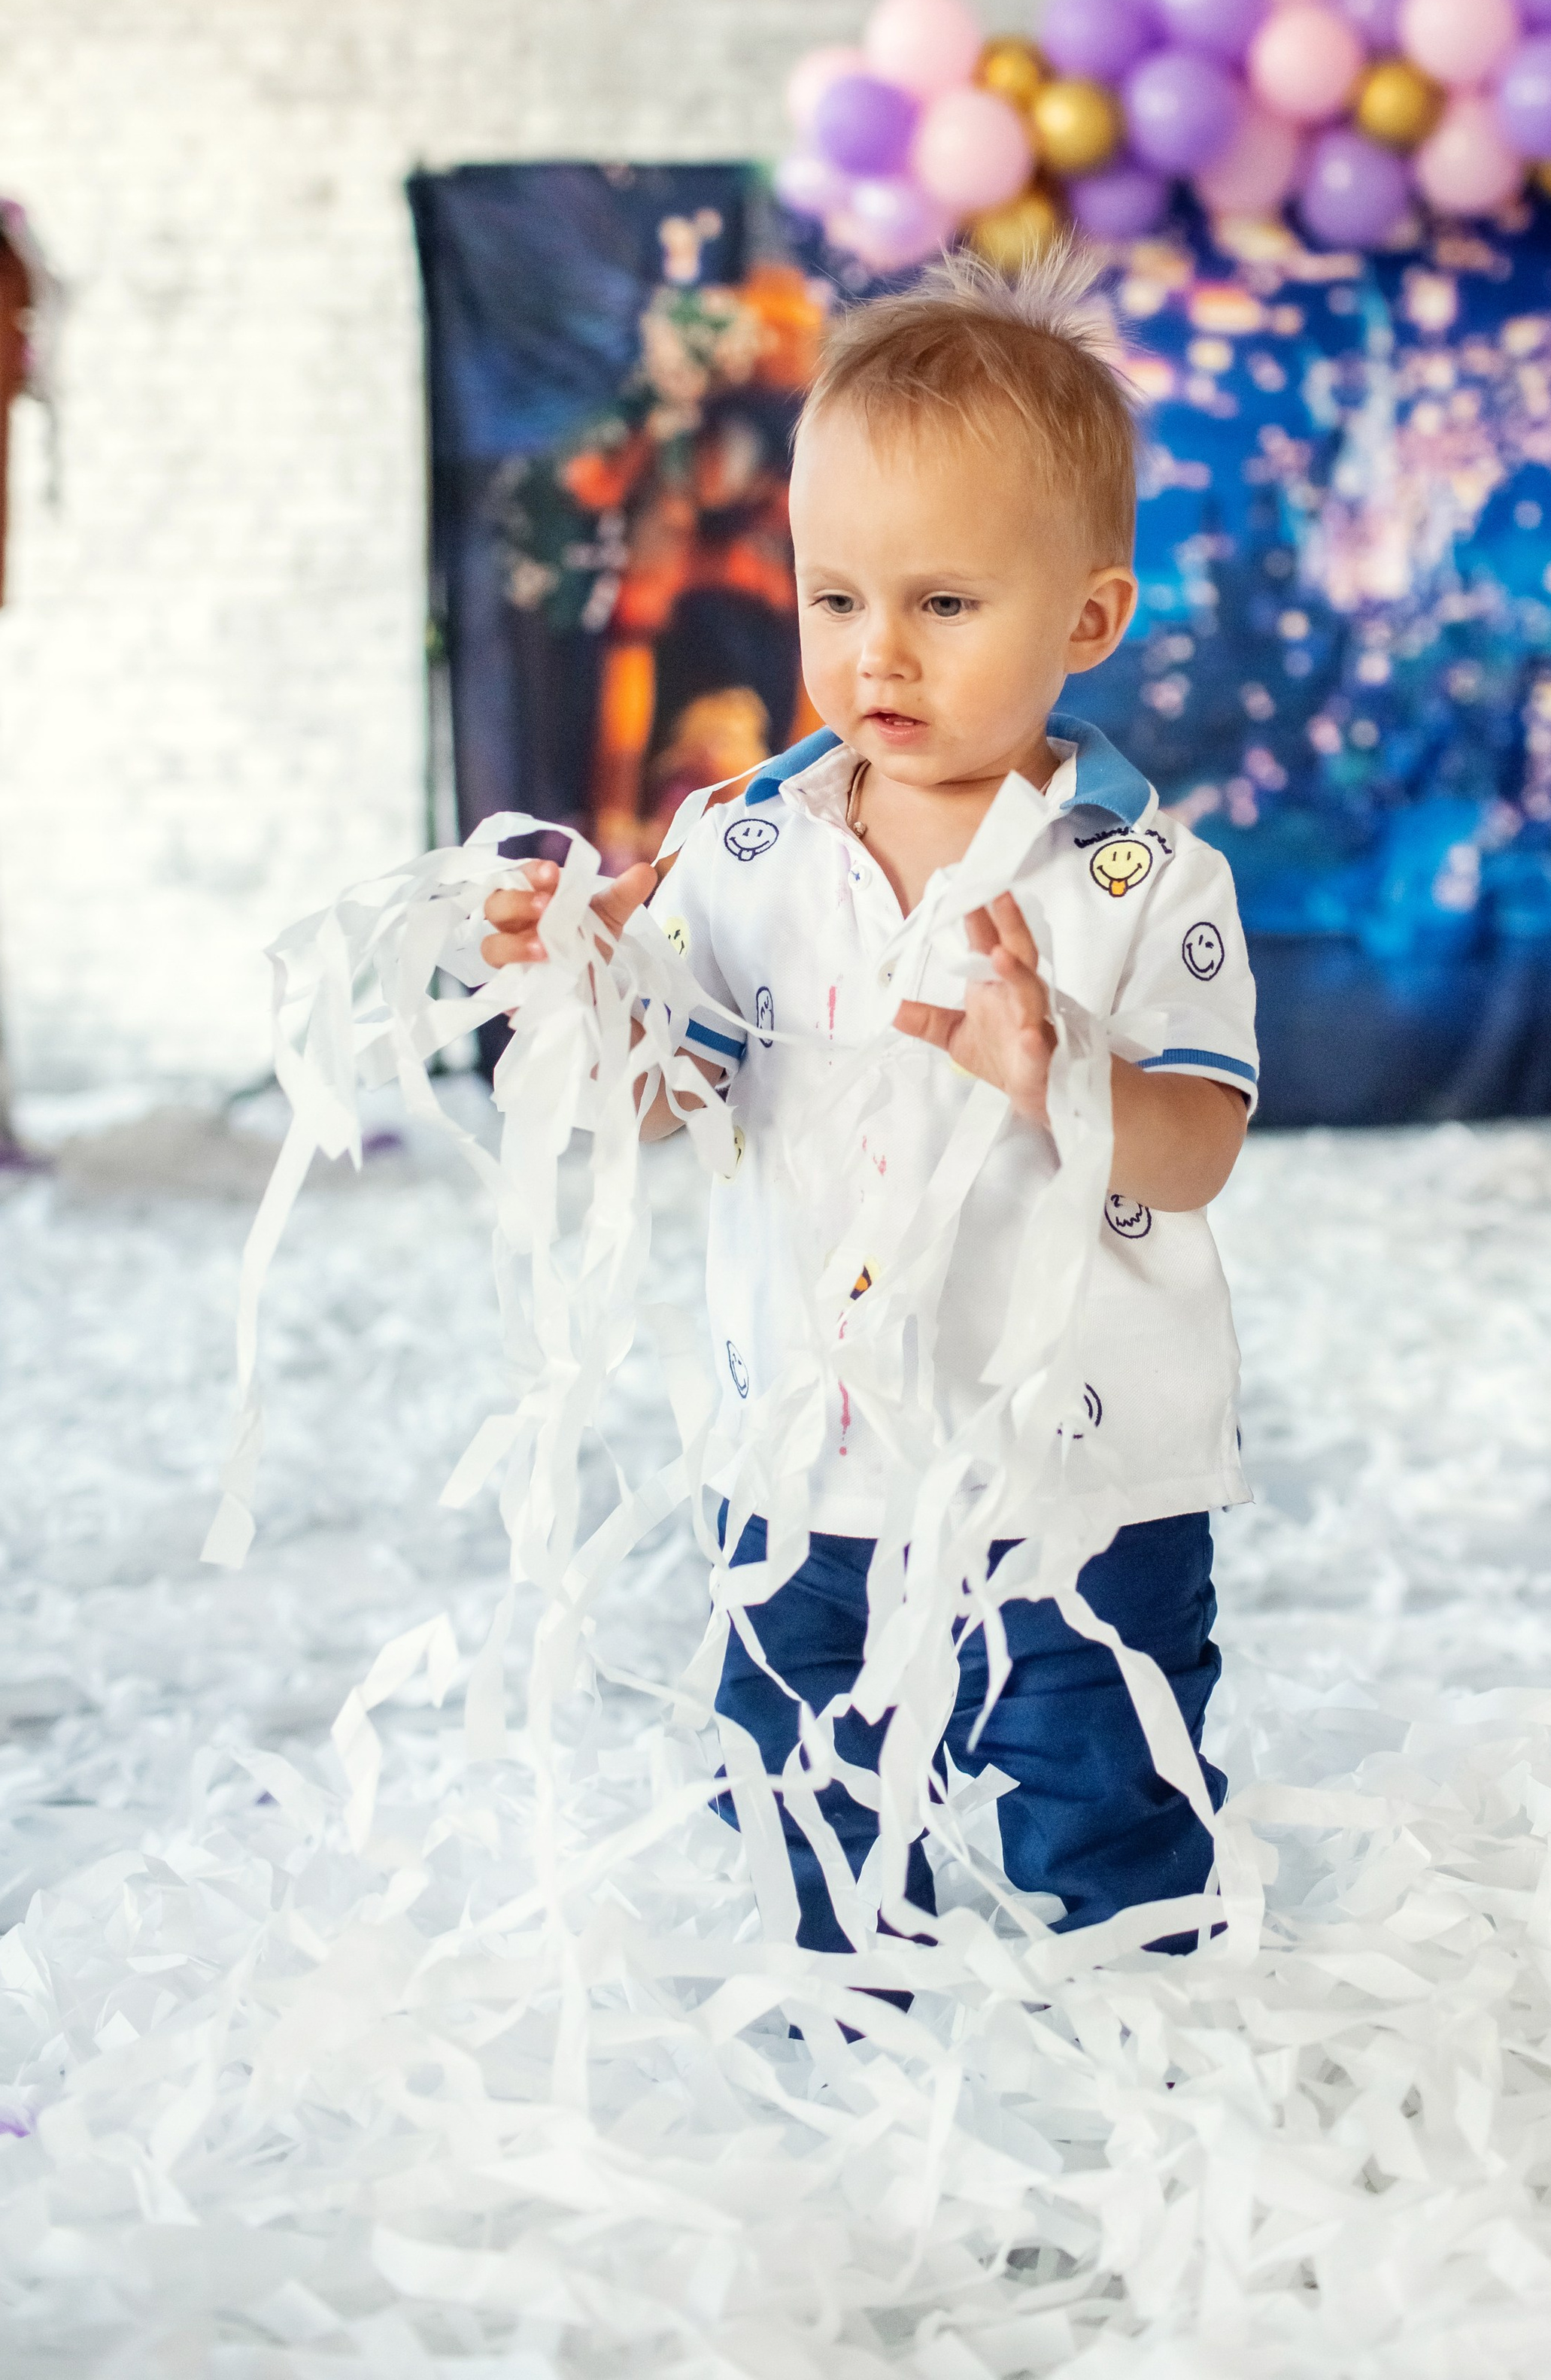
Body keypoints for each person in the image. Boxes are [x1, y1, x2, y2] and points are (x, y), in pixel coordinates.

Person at [480, 246, 1258, 1965]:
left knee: (1102, 1788)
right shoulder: (741, 847)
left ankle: (1138, 2075)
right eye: (835, 598)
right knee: (802, 1792)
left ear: (1086, 618)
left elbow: (1196, 1150)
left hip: (1077, 1465)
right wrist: (576, 990)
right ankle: (844, 2056)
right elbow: (666, 1094)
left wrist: (1058, 1062)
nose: (873, 655)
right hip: (804, 1458)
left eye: (942, 604)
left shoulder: (1136, 873)